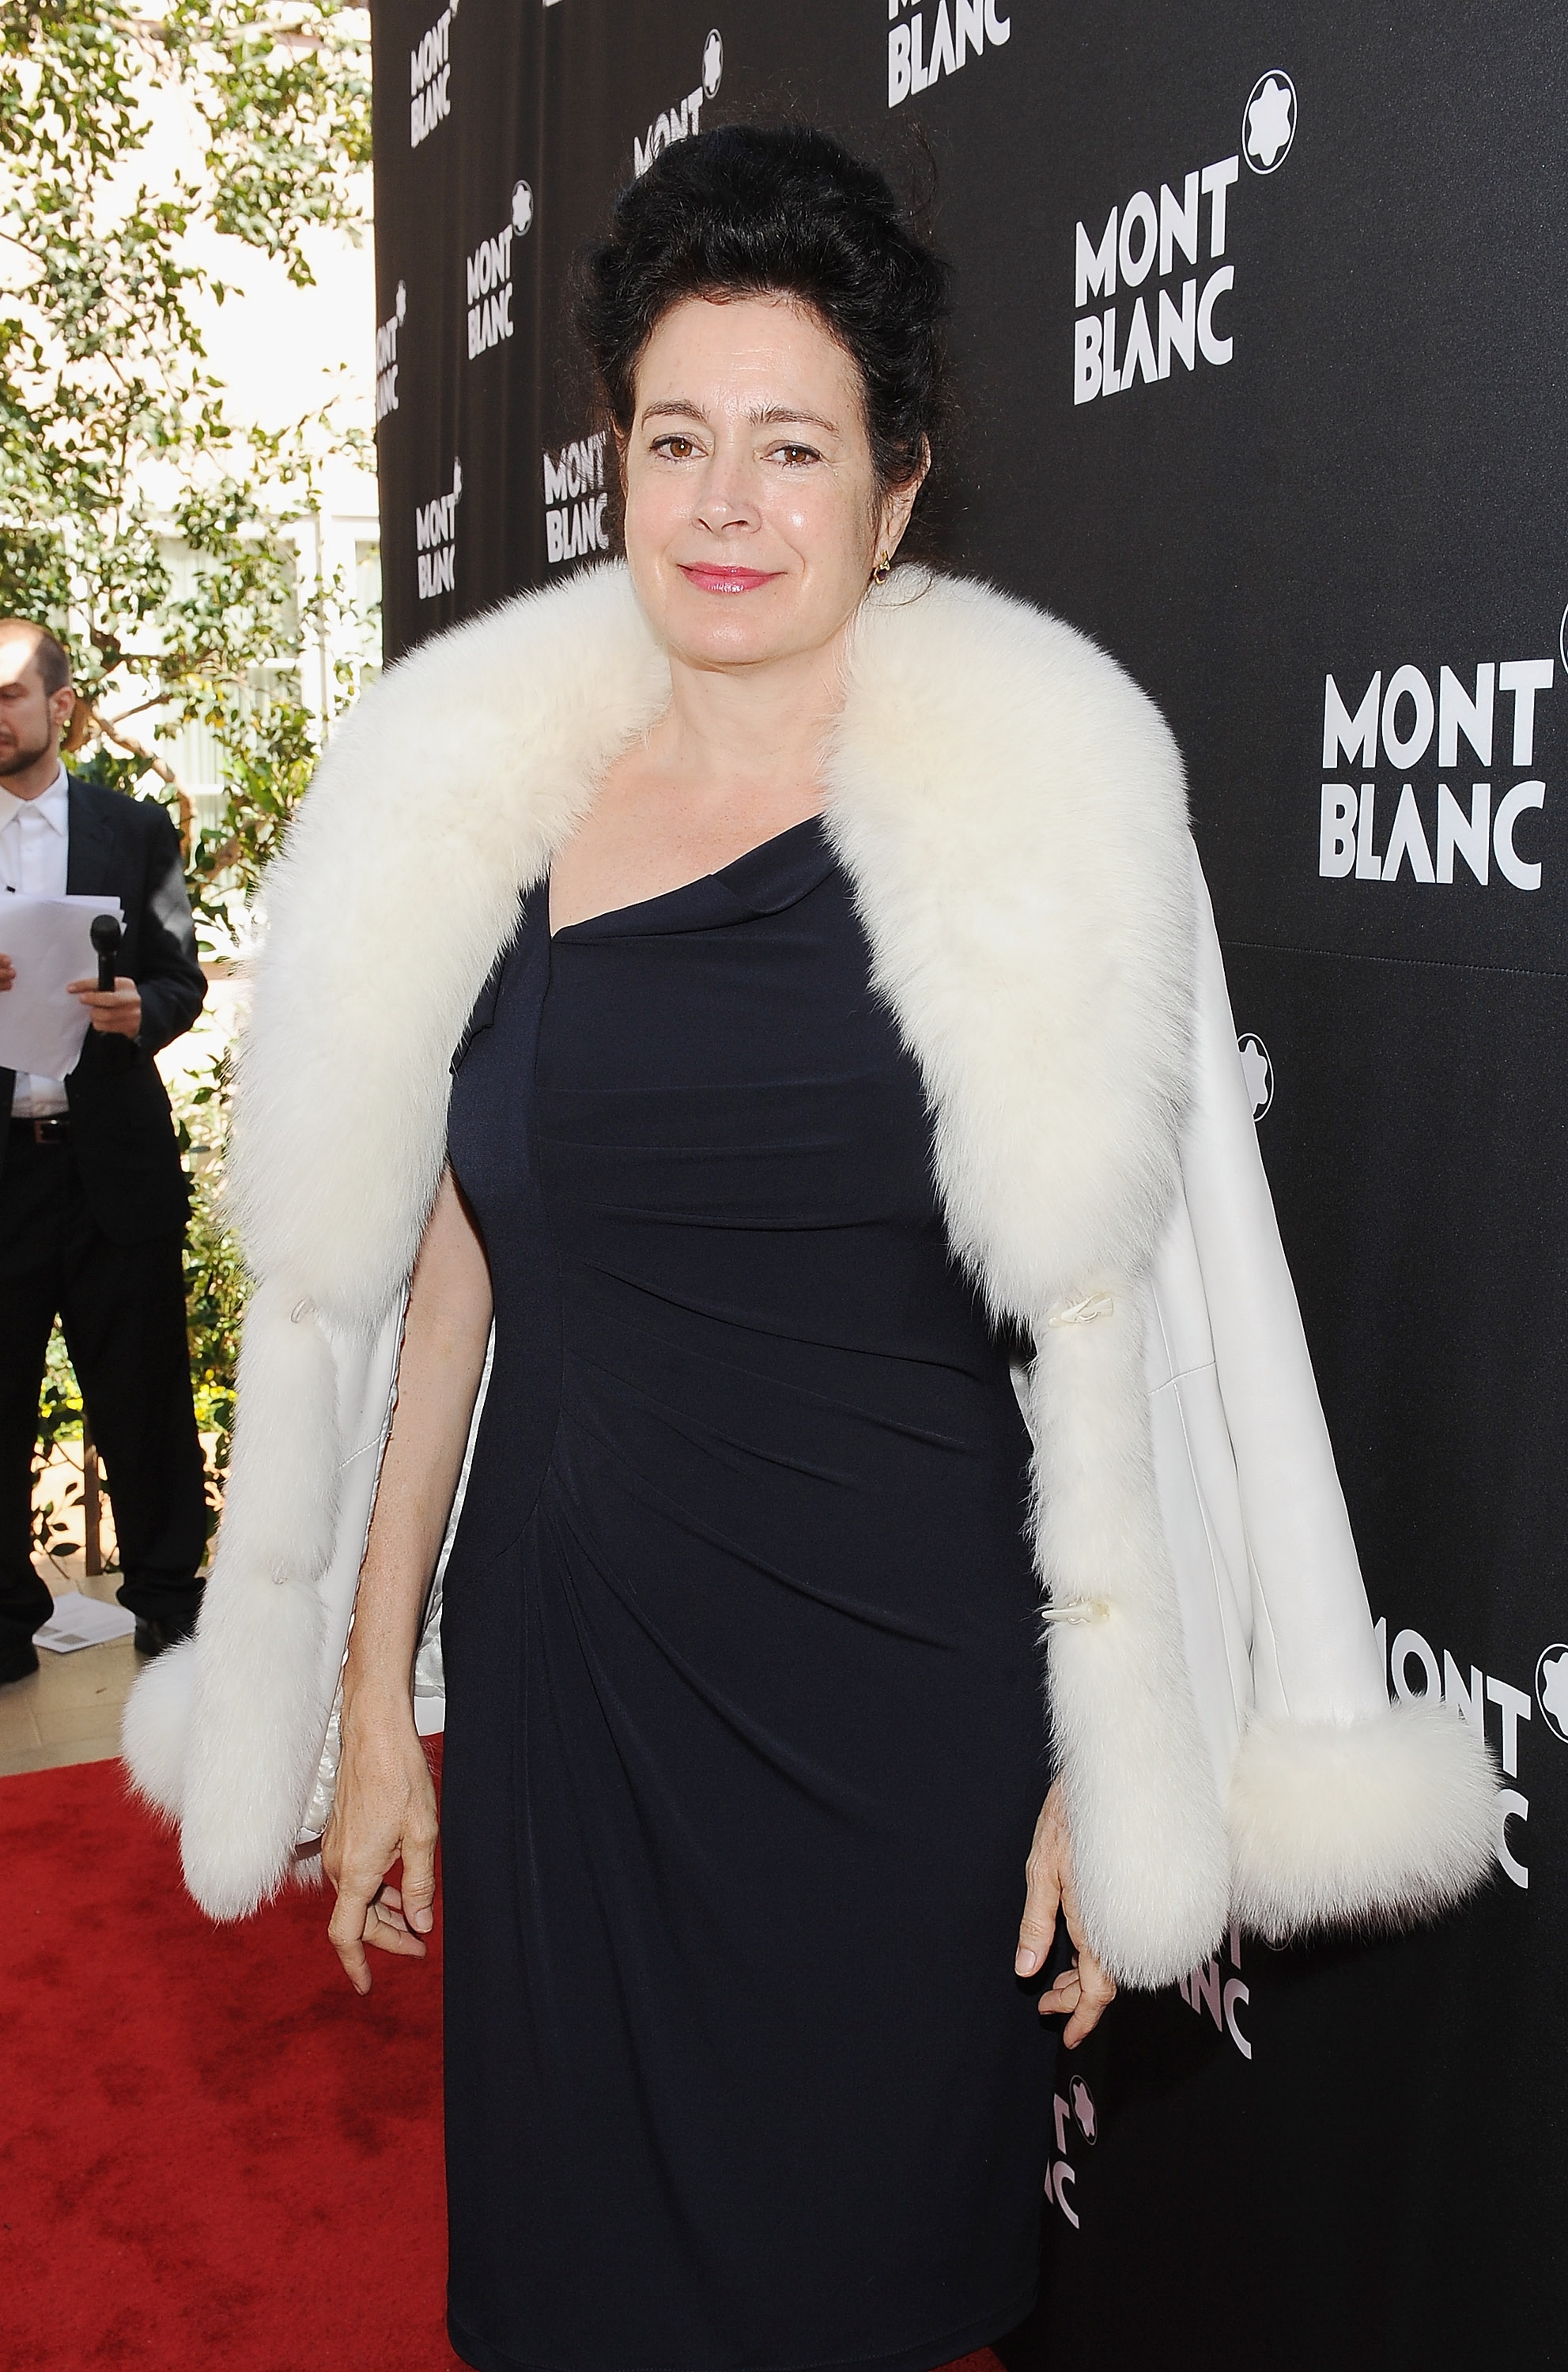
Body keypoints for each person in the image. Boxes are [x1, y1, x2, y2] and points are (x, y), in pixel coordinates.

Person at [126, 130, 1496, 2372]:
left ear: (894, 488)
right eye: (676, 439)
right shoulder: (489, 803)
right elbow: (450, 1273)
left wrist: (1116, 1752)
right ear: (613, 461)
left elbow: (1156, 1337)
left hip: (902, 1721)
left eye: (793, 447)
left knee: (858, 2297)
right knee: (569, 2304)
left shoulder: (1036, 810)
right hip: (570, 1704)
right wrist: (374, 1693)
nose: (726, 504)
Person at [0, 621, 207, 1683]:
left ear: (62, 706)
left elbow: (183, 977)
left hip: (113, 1164)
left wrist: (141, 1011)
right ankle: (5, 1619)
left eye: (8, 694)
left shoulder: (135, 829)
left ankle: (169, 1602)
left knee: (146, 1396)